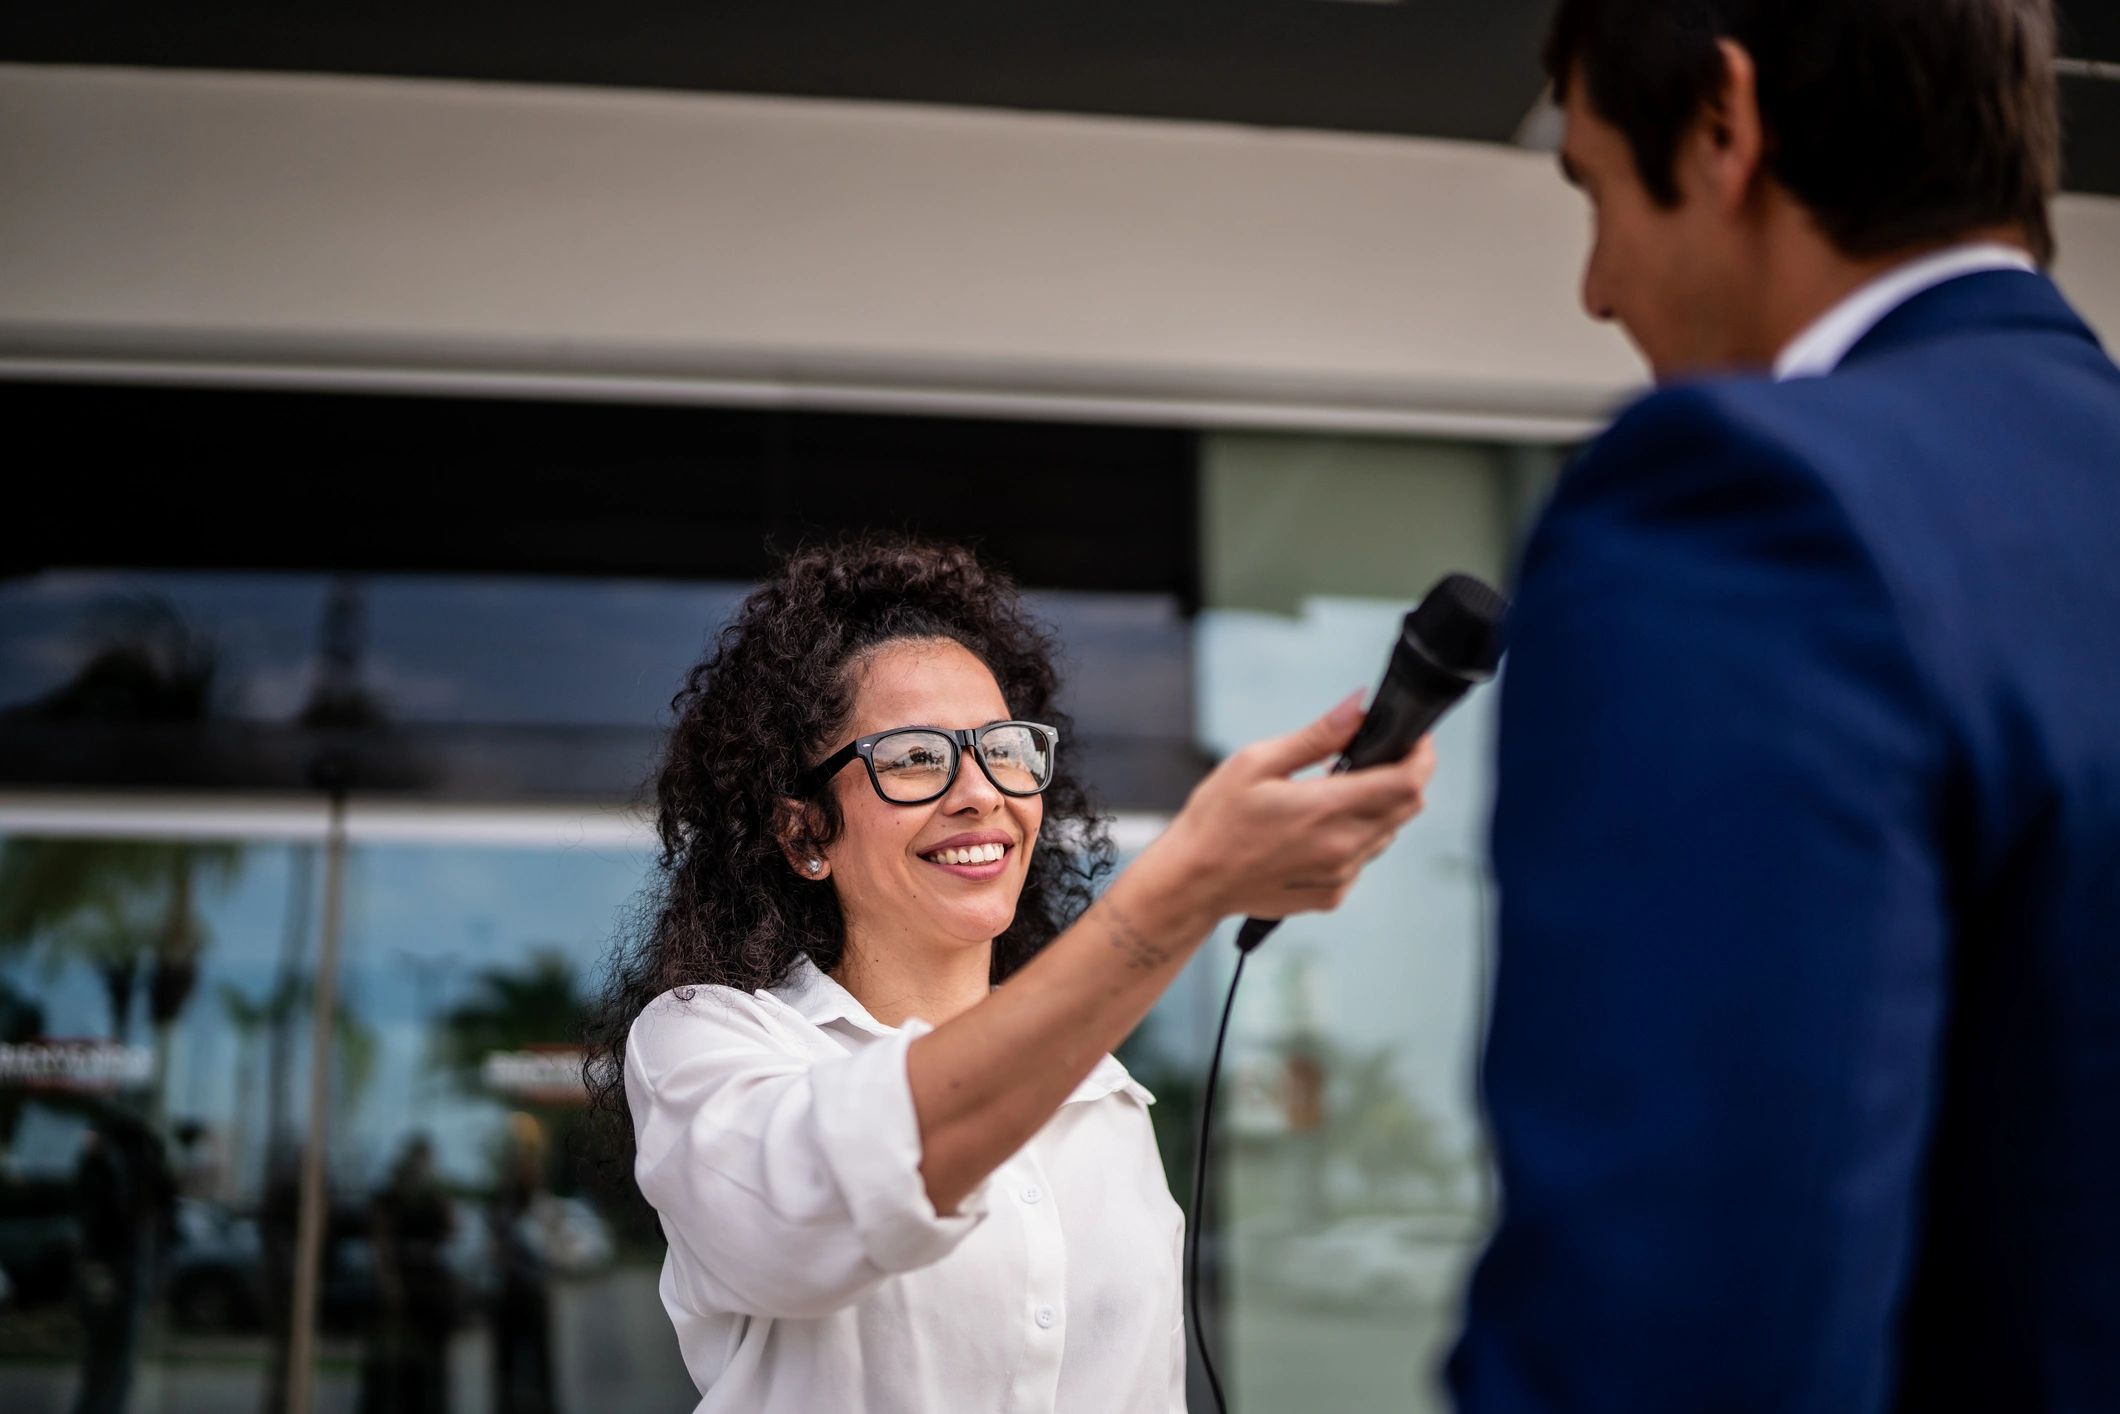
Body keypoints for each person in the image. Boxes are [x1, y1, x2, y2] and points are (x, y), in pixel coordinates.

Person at [1450, 3, 2120, 1411]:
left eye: (1596, 191)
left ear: (1720, 126)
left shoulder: (1750, 507)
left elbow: (1677, 1322)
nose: (1598, 287)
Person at [585, 537, 1432, 1413]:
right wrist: (1176, 900)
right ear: (805, 835)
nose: (981, 792)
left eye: (1005, 749)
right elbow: (807, 1210)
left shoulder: (1105, 1099)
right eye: (915, 756)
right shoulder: (707, 1040)